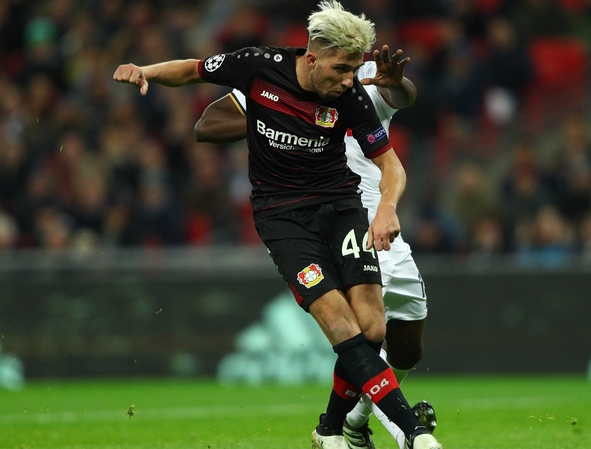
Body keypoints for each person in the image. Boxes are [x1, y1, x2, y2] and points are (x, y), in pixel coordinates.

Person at [112, 2, 442, 449]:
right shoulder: (260, 68)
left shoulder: (353, 92)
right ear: (311, 58)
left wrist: (386, 208)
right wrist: (146, 70)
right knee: (343, 328)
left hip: (346, 208)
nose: (348, 79)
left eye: (353, 71)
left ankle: (330, 430)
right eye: (342, 69)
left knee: (377, 331)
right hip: (283, 216)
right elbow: (195, 79)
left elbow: (393, 157)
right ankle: (413, 432)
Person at [194, 43, 436, 449]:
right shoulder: (281, 81)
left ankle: (347, 425)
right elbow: (206, 125)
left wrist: (399, 85)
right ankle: (410, 432)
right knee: (358, 330)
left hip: (378, 217)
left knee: (406, 346)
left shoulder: (365, 77)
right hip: (319, 215)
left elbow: (402, 96)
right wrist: (278, 117)